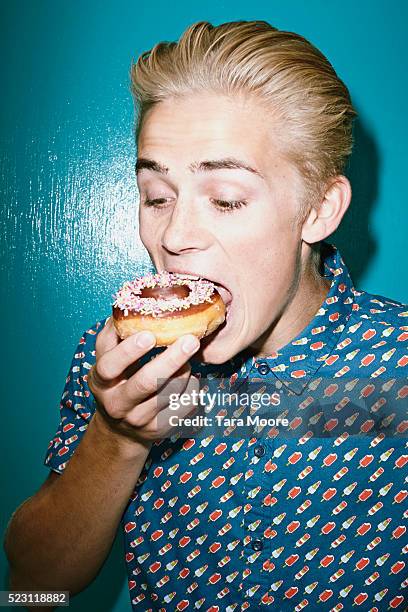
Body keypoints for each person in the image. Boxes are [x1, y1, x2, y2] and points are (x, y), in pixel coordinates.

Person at [4, 20, 407, 612]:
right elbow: (33, 589)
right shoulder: (118, 357)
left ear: (319, 210)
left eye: (225, 199)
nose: (175, 236)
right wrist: (117, 438)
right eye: (157, 197)